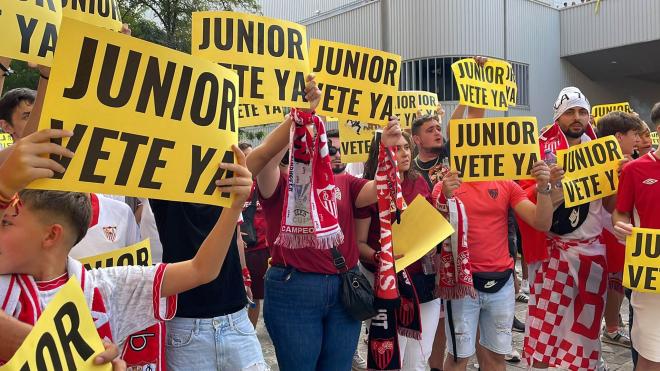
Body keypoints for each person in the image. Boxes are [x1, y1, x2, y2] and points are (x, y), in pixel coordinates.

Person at [0, 128, 252, 362]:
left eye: (5, 223)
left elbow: (202, 269)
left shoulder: (105, 287)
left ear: (51, 236)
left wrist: (234, 207)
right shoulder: (5, 291)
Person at [246, 75, 402, 371]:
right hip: (295, 290)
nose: (328, 151)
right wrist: (300, 117)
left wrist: (387, 146)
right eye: (321, 143)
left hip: (343, 290)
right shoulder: (280, 182)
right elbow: (263, 158)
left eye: (331, 148)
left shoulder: (346, 182)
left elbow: (381, 189)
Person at [430, 110, 553, 371]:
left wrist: (544, 188)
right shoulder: (446, 184)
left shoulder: (506, 182)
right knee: (457, 359)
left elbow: (541, 222)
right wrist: (444, 198)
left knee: (496, 358)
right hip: (463, 285)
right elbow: (432, 233)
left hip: (502, 283)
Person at [522, 87, 619, 371]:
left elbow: (610, 204)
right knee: (546, 329)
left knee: (586, 328)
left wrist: (619, 176)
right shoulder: (540, 150)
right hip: (554, 253)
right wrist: (550, 185)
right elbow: (526, 198)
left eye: (582, 111)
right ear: (558, 116)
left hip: (593, 253)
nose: (577, 118)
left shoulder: (601, 150)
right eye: (570, 112)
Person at [356, 131, 441, 370]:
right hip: (387, 285)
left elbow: (430, 223)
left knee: (421, 357)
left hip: (423, 280)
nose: (404, 153)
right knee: (393, 357)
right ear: (381, 154)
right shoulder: (368, 190)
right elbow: (359, 244)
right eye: (397, 148)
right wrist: (381, 257)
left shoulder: (420, 182)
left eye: (406, 147)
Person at [612, 101, 660, 371]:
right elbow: (619, 214)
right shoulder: (634, 170)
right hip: (650, 279)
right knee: (651, 358)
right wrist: (621, 227)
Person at [596, 111, 643, 349]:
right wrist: (621, 176)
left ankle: (612, 323)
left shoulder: (629, 163)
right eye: (634, 133)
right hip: (608, 230)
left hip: (613, 231)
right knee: (614, 282)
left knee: (616, 282)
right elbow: (611, 204)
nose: (638, 138)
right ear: (618, 137)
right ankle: (611, 328)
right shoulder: (606, 165)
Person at [239, 142, 271, 328]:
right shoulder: (232, 183)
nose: (250, 160)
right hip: (237, 247)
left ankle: (251, 330)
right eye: (245, 156)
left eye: (252, 155)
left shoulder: (263, 183)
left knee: (257, 295)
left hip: (259, 248)